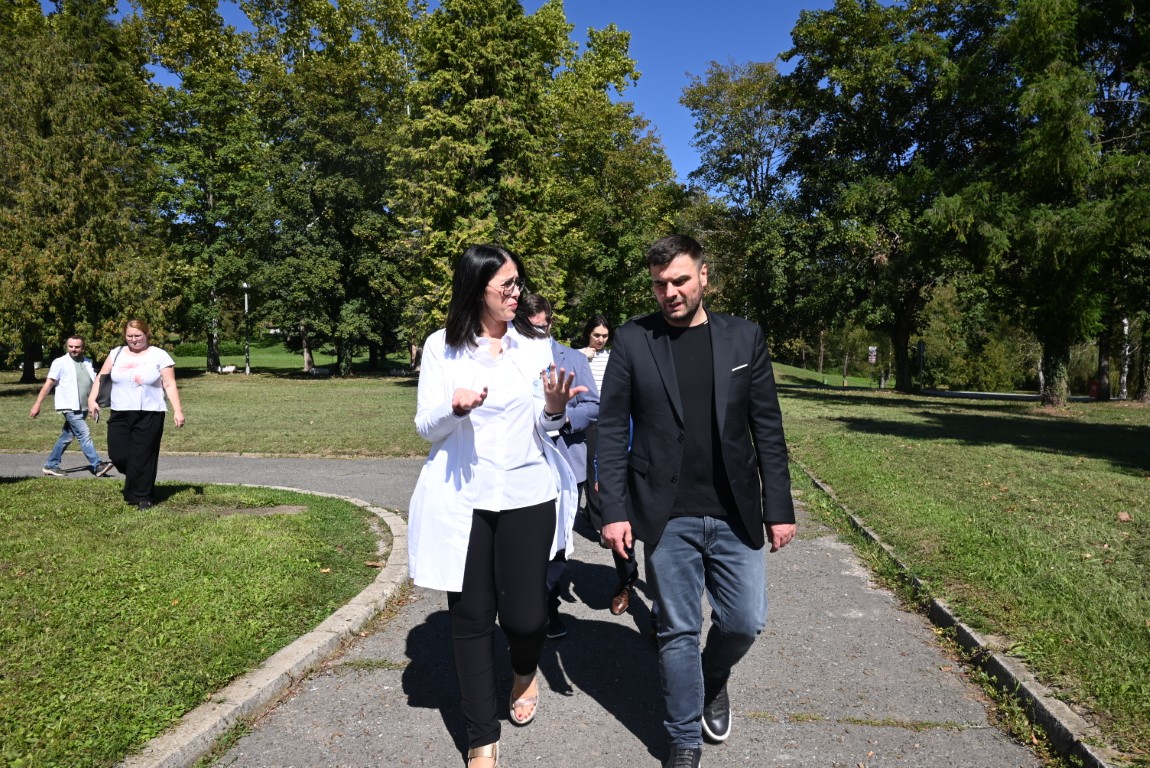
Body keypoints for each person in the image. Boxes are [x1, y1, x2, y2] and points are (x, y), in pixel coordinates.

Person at [597, 234, 796, 768]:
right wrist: (613, 510)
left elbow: (767, 428)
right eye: (660, 284)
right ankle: (683, 741)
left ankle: (714, 675)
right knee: (677, 630)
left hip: (735, 511)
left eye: (680, 280)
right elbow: (611, 430)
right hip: (666, 514)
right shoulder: (633, 339)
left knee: (745, 621)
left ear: (704, 276)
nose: (670, 292)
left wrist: (779, 507)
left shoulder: (744, 337)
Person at [406, 245, 585, 768]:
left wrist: (555, 409)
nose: (516, 293)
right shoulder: (442, 346)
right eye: (506, 284)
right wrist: (454, 408)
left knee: (527, 619)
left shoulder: (535, 345)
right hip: (464, 498)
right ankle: (482, 736)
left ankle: (524, 671)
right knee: (471, 619)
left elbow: (547, 426)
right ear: (475, 287)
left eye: (517, 282)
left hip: (528, 493)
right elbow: (426, 427)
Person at [518, 294, 599, 640]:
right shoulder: (511, 357)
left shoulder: (573, 358)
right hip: (526, 462)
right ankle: (529, 603)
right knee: (529, 539)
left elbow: (594, 405)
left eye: (542, 326)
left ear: (551, 322)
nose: (537, 333)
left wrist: (563, 417)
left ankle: (547, 604)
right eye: (529, 327)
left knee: (560, 538)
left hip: (567, 462)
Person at [577, 314, 642, 618]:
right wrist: (601, 468)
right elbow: (610, 426)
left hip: (662, 469)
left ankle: (664, 610)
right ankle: (626, 582)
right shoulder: (618, 370)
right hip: (620, 456)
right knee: (621, 526)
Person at [88, 320, 186, 510]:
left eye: (138, 335)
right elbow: (101, 376)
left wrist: (178, 410)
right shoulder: (116, 353)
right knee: (118, 455)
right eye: (130, 336)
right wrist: (92, 399)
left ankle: (143, 497)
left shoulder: (159, 355)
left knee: (144, 455)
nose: (134, 339)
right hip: (120, 411)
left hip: (150, 412)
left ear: (147, 335)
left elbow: (169, 384)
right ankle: (137, 481)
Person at [29, 335, 114, 477]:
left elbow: (93, 383)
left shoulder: (87, 362)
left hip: (84, 407)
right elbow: (48, 384)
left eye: (77, 347)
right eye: (71, 346)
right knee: (84, 434)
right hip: (70, 407)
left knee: (66, 437)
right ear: (67, 347)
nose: (73, 349)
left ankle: (51, 465)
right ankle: (97, 465)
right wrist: (37, 404)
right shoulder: (60, 362)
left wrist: (95, 403)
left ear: (83, 348)